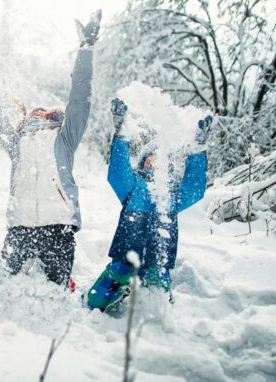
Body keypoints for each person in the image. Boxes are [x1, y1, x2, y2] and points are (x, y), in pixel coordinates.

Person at [0, 10, 102, 286]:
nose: (40, 112)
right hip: (20, 227)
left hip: (58, 225)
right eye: (34, 111)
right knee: (6, 289)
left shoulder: (64, 140)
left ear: (55, 117)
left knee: (54, 292)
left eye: (46, 111)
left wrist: (85, 49)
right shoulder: (17, 144)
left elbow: (79, 100)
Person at [87, 98, 212, 310]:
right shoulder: (134, 185)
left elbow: (194, 189)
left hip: (158, 263)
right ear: (144, 161)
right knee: (94, 301)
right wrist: (121, 135)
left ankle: (150, 304)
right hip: (125, 258)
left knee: (160, 307)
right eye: (150, 157)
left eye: (160, 158)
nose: (155, 162)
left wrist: (198, 150)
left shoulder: (171, 194)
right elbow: (117, 174)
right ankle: (117, 293)